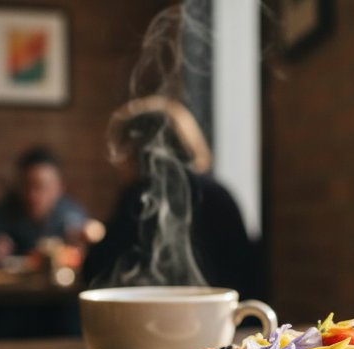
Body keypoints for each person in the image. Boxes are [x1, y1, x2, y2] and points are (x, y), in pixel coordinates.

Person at [84, 97, 261, 298]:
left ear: (137, 150)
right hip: (230, 318)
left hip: (163, 324)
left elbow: (98, 269)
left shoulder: (142, 196)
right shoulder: (219, 192)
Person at [0, 147, 94, 267]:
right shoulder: (1, 214)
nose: (32, 196)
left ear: (60, 187)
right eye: (26, 186)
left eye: (41, 187)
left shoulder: (72, 214)